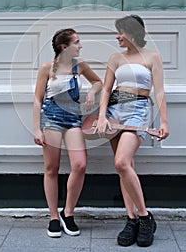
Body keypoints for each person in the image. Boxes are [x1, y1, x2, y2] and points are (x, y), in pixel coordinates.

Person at [95, 15, 169, 247]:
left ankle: (145, 217)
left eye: (120, 32)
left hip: (138, 109)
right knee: (124, 168)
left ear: (133, 32)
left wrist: (164, 121)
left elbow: (159, 92)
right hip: (115, 111)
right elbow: (107, 90)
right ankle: (131, 220)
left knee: (121, 162)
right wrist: (101, 117)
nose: (117, 37)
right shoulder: (115, 58)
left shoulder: (152, 57)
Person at [33, 28, 102, 238]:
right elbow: (38, 99)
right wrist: (37, 128)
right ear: (65, 47)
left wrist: (92, 91)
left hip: (73, 119)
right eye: (77, 42)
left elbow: (98, 82)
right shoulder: (47, 68)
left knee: (80, 164)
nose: (80, 46)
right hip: (52, 117)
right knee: (51, 168)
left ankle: (68, 212)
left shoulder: (79, 66)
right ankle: (53, 216)